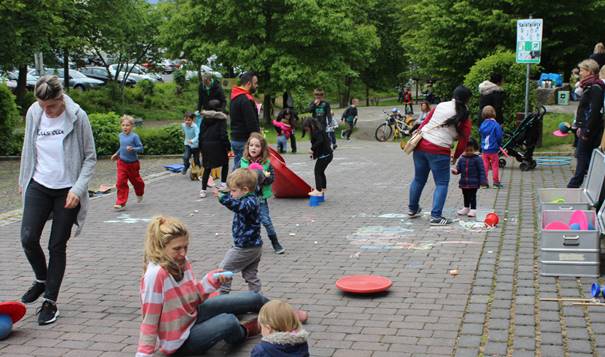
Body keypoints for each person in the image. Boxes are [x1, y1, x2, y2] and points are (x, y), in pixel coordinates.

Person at [18, 75, 96, 325]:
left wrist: (78, 188)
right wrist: (24, 179)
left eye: (50, 106)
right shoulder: (34, 112)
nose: (46, 110)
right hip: (39, 185)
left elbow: (90, 157)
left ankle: (50, 301)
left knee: (56, 246)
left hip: (67, 190)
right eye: (42, 106)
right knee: (28, 238)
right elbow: (28, 148)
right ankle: (42, 279)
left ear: (61, 99)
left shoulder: (78, 116)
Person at [137, 216, 270, 357]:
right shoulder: (155, 275)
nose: (183, 253)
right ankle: (244, 332)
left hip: (193, 314)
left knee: (253, 298)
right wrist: (144, 354)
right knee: (228, 321)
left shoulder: (182, 261)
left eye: (185, 247)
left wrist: (211, 280)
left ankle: (280, 314)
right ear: (160, 248)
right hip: (180, 340)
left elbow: (194, 297)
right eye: (177, 249)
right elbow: (149, 321)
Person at [407, 85, 472, 225]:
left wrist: (417, 131)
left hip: (421, 145)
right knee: (441, 183)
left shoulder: (441, 105)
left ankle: (412, 209)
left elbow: (426, 121)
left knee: (418, 179)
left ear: (453, 95)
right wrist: (456, 156)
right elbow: (464, 140)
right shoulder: (465, 115)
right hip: (439, 150)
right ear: (467, 100)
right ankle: (436, 216)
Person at [215, 168, 263, 294]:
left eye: (234, 191)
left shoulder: (250, 201)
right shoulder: (247, 198)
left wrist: (223, 199)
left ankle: (222, 297)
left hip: (245, 247)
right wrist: (226, 193)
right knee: (250, 276)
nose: (231, 194)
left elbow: (240, 207)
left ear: (245, 190)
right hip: (254, 246)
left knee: (224, 270)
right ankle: (257, 299)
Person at [240, 133, 286, 254]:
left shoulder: (266, 163)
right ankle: (246, 242)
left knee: (265, 220)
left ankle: (275, 242)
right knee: (246, 221)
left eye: (257, 146)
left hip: (260, 198)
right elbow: (236, 177)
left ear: (262, 149)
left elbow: (271, 178)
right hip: (246, 198)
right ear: (247, 147)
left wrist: (262, 176)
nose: (253, 148)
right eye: (251, 145)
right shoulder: (243, 162)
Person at [567, 59, 605, 188]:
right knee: (585, 158)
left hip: (590, 130)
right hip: (585, 127)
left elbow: (594, 112)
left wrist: (587, 130)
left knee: (582, 157)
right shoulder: (589, 86)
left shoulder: (595, 88)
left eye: (582, 70)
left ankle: (573, 186)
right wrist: (579, 125)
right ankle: (593, 186)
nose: (580, 73)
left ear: (589, 71)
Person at [111, 115, 145, 210]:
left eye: (127, 125)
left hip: (133, 164)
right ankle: (120, 202)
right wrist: (116, 154)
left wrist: (133, 149)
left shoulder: (134, 137)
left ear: (132, 126)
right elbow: (122, 147)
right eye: (123, 125)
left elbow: (141, 149)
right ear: (121, 126)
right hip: (122, 163)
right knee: (120, 182)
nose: (125, 127)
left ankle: (139, 193)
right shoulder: (120, 136)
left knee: (137, 182)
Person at [199, 101, 230, 198]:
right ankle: (223, 184)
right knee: (225, 163)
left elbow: (201, 134)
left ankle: (203, 190)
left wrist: (200, 147)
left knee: (207, 168)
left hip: (206, 146)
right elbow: (223, 135)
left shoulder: (204, 119)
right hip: (218, 145)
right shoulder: (221, 119)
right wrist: (228, 147)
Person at [230, 72, 260, 169]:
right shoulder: (246, 99)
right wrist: (258, 138)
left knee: (238, 166)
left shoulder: (234, 97)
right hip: (244, 140)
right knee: (243, 170)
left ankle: (233, 183)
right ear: (248, 84)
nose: (257, 86)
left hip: (235, 138)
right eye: (255, 83)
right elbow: (251, 122)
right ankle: (232, 183)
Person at [452, 138, 488, 218]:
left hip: (474, 182)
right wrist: (456, 171)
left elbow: (482, 170)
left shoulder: (478, 159)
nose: (468, 152)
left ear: (475, 149)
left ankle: (473, 209)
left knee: (472, 195)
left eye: (470, 150)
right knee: (465, 195)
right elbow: (459, 169)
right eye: (466, 150)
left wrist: (483, 181)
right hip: (464, 182)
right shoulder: (461, 159)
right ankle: (466, 207)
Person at [302, 118, 333, 197]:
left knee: (317, 171)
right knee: (321, 171)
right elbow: (320, 144)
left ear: (311, 126)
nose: (307, 131)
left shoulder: (317, 132)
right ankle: (323, 188)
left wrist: (312, 149)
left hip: (325, 156)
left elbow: (320, 141)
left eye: (307, 128)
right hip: (328, 155)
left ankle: (318, 190)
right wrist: (314, 153)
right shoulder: (319, 131)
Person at [479, 105, 504, 188]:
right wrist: (499, 144)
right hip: (493, 149)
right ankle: (496, 182)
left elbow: (481, 133)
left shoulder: (482, 124)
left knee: (485, 165)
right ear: (494, 113)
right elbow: (499, 136)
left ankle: (484, 183)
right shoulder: (496, 125)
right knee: (494, 166)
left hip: (484, 149)